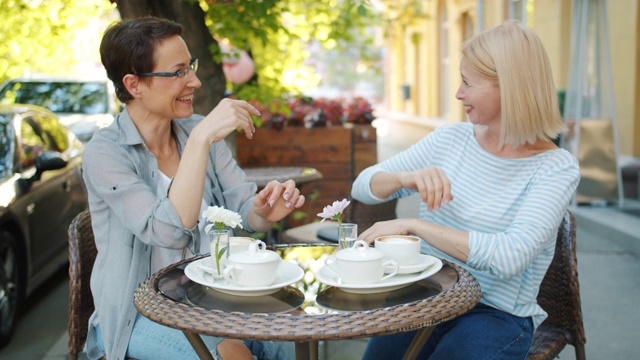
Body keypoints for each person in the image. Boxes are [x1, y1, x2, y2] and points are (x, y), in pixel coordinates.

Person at [351, 20, 580, 360]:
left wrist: (414, 226)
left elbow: (510, 257)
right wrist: (406, 178)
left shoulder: (555, 168)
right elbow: (363, 187)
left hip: (495, 315)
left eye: (467, 83)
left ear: (508, 87)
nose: (458, 94)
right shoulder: (450, 140)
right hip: (427, 296)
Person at [82, 16, 303, 360]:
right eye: (178, 72)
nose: (195, 82)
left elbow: (244, 207)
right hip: (139, 315)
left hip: (216, 297)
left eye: (192, 67)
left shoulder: (198, 132)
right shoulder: (105, 152)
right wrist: (200, 139)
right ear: (134, 84)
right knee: (234, 355)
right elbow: (169, 231)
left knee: (294, 329)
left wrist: (262, 212)